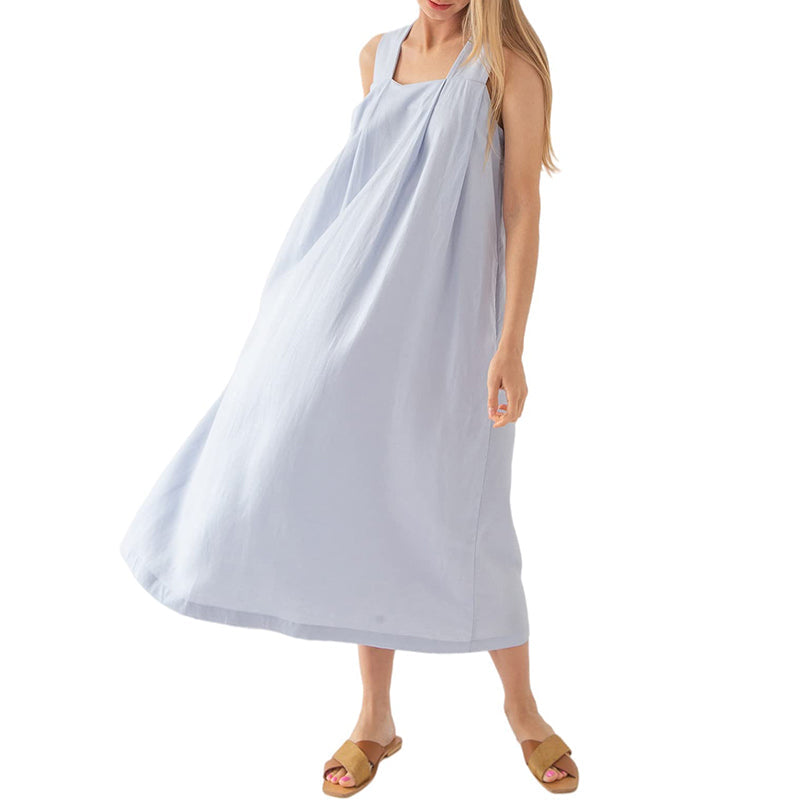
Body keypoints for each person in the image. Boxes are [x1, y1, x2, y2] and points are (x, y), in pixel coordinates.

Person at [120, 0, 578, 794]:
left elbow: (520, 208)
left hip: (451, 324)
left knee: (470, 508)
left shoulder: (509, 70)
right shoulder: (376, 56)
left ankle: (522, 708)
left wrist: (510, 345)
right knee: (360, 498)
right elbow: (367, 191)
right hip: (348, 305)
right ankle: (375, 717)